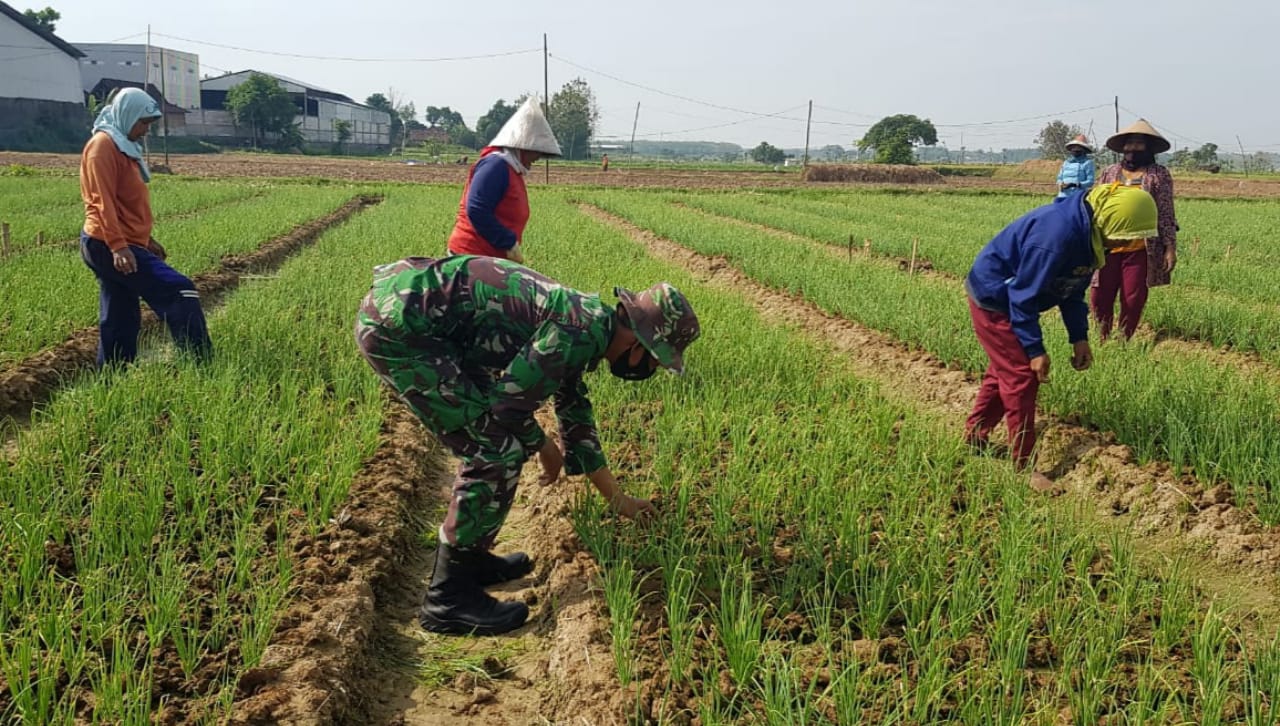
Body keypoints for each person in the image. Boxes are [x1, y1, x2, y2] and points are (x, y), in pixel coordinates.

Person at [355, 255, 700, 635]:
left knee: (500, 443)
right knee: (495, 452)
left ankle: (471, 559)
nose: (648, 370)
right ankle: (448, 599)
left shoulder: (591, 324)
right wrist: (545, 446)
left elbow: (576, 416)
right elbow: (508, 406)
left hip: (430, 328)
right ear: (639, 346)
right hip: (402, 331)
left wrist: (620, 500)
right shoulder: (575, 330)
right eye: (654, 362)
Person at [964, 184, 1157, 491]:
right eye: (1123, 237)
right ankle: (1023, 467)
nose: (1124, 245)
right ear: (1109, 221)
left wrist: (1079, 337)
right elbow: (1021, 297)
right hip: (995, 298)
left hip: (1015, 296)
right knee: (1021, 377)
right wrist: (1034, 349)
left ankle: (975, 436)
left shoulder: (1091, 234)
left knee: (1003, 372)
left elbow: (1072, 289)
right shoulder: (1056, 237)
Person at [79, 87, 212, 367]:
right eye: (143, 123)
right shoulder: (102, 147)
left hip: (123, 241)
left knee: (121, 313)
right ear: (127, 115)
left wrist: (146, 239)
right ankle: (201, 364)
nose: (146, 130)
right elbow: (102, 202)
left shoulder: (122, 146)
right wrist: (119, 246)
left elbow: (128, 204)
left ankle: (113, 376)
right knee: (180, 290)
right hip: (105, 242)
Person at [446, 97, 560, 265]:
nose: (538, 157)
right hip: (471, 257)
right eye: (537, 151)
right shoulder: (495, 165)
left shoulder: (512, 169)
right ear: (522, 146)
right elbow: (477, 209)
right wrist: (508, 243)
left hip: (491, 259)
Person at [1091, 119, 1178, 340]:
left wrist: (1170, 248)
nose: (1132, 148)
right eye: (1129, 144)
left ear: (1148, 148)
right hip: (1107, 248)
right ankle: (1102, 338)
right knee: (1100, 295)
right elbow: (1094, 204)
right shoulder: (1109, 172)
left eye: (1138, 144)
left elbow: (1166, 211)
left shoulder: (1158, 174)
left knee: (1133, 297)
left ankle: (1123, 340)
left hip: (1140, 248)